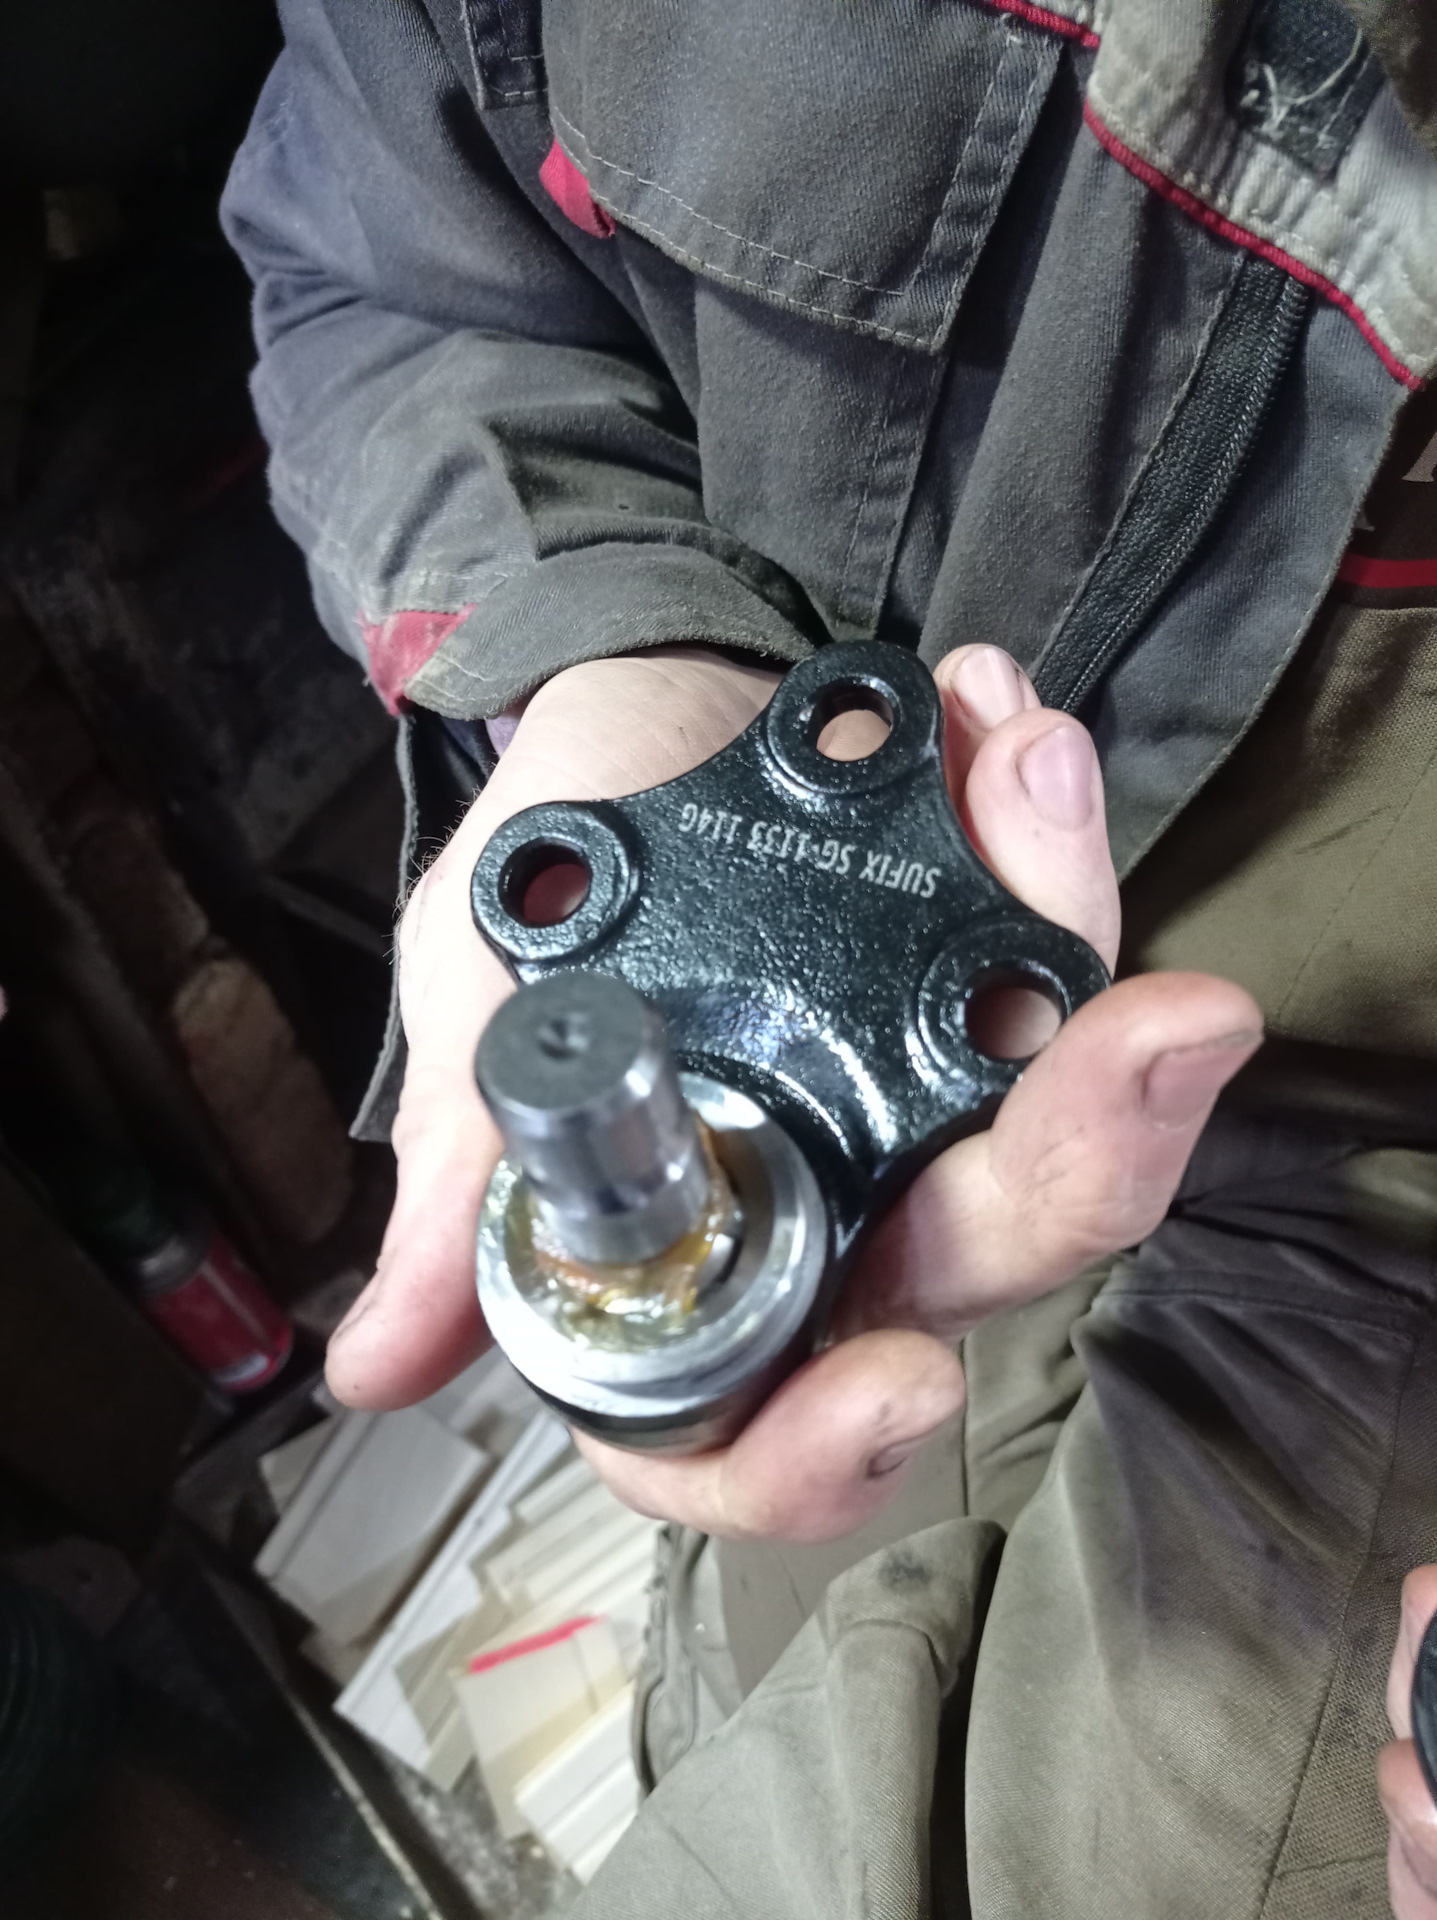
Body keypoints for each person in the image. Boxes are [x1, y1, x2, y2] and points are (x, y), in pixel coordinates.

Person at [222, 0, 1437, 1911]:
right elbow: (378, 257)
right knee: (753, 1670)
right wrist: (614, 644)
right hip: (880, 1142)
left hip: (1390, 1180)